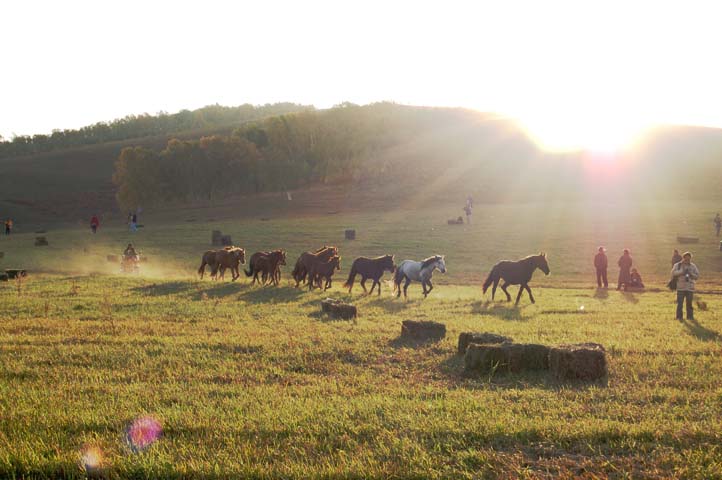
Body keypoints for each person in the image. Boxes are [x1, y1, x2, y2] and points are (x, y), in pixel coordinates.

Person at [671, 251, 699, 321]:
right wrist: (681, 272)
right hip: (680, 287)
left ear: (690, 258)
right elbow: (673, 273)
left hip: (690, 288)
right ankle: (679, 317)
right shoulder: (677, 265)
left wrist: (691, 274)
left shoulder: (693, 266)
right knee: (679, 304)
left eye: (689, 259)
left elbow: (697, 276)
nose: (687, 260)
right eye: (686, 259)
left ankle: (690, 317)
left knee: (689, 304)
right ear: (683, 258)